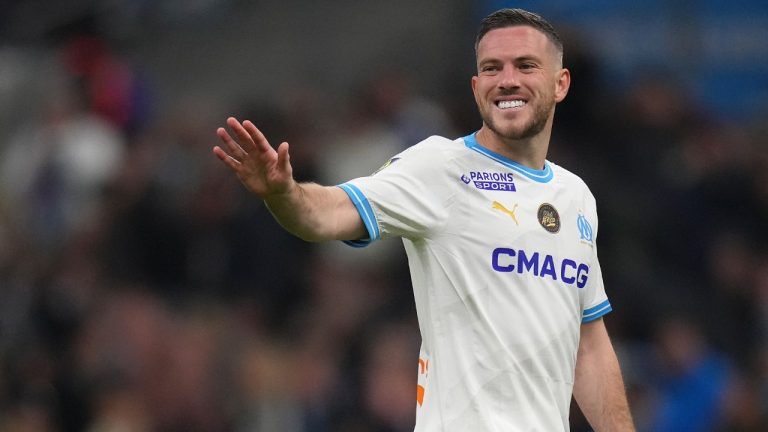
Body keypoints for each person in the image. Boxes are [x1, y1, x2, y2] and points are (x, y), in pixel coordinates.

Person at [213, 8, 635, 431]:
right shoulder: (440, 166)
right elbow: (327, 214)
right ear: (476, 87)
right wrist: (284, 192)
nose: (507, 79)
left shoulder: (576, 197)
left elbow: (589, 348)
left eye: (525, 65)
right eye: (492, 68)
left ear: (560, 83)